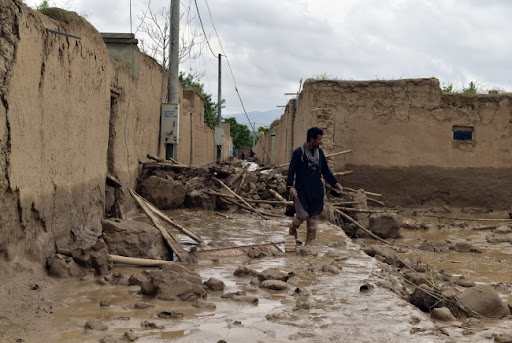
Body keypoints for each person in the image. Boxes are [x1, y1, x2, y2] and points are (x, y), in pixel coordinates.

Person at [286, 127, 343, 245]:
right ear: (311, 140)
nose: (320, 142)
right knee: (302, 216)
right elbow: (291, 170)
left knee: (313, 220)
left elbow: (326, 171)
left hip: (316, 192)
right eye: (319, 139)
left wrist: (335, 183)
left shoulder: (320, 153)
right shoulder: (299, 153)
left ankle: (308, 246)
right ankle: (292, 232)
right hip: (302, 191)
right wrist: (291, 186)